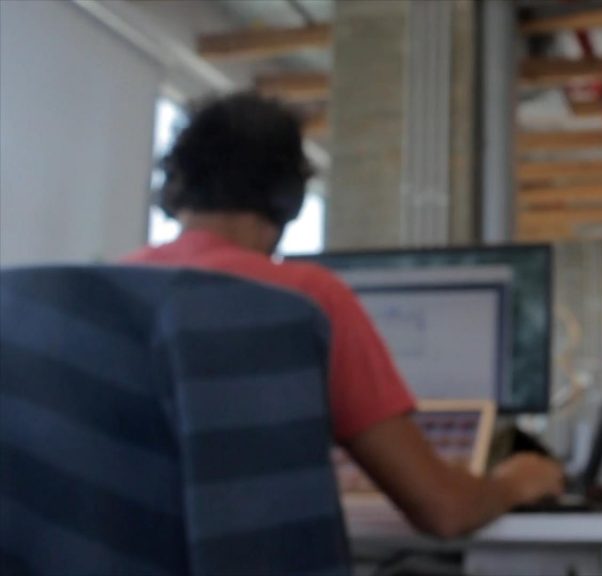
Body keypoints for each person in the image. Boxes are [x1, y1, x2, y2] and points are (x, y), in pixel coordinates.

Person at [124, 92, 564, 537]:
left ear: (175, 188)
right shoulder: (304, 300)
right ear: (288, 199)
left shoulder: (110, 292)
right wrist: (514, 482)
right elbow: (443, 510)